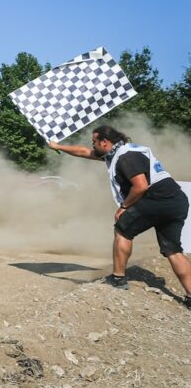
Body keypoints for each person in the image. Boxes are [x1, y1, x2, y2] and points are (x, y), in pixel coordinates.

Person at [50, 126, 191, 308]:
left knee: (122, 230)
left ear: (104, 142)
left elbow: (140, 186)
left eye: (94, 142)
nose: (91, 145)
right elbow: (85, 152)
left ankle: (118, 278)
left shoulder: (125, 156)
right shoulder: (126, 150)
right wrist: (58, 147)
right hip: (176, 200)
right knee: (173, 249)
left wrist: (123, 207)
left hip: (156, 199)